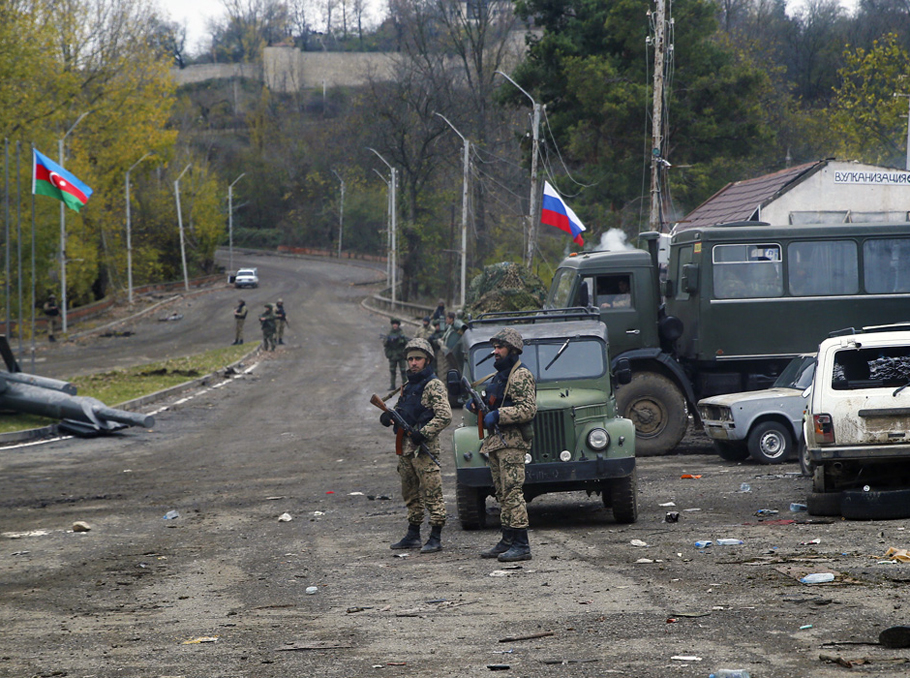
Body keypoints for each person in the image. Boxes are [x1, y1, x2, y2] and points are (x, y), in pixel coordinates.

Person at [467, 328, 537, 562]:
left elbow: (528, 409)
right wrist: (479, 405)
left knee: (513, 492)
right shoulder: (500, 376)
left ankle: (521, 544)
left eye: (500, 347)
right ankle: (507, 539)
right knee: (502, 493)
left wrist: (498, 415)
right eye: (495, 347)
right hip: (497, 443)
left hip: (512, 442)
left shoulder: (520, 375)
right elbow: (493, 401)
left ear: (513, 350)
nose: (495, 351)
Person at [379, 338, 452, 553]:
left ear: (427, 360)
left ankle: (436, 536)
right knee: (410, 492)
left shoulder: (433, 385)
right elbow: (402, 412)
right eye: (410, 359)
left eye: (418, 359)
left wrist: (424, 433)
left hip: (423, 449)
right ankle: (413, 534)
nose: (413, 363)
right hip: (406, 448)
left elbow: (445, 416)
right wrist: (389, 417)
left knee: (432, 492)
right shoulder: (409, 385)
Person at [383, 318, 408, 389]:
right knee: (392, 371)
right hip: (393, 355)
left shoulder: (401, 333)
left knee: (403, 371)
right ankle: (392, 385)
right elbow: (385, 344)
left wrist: (401, 340)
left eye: (396, 324)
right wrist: (389, 340)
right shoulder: (389, 333)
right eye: (394, 324)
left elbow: (406, 342)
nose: (395, 326)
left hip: (400, 354)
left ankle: (405, 385)